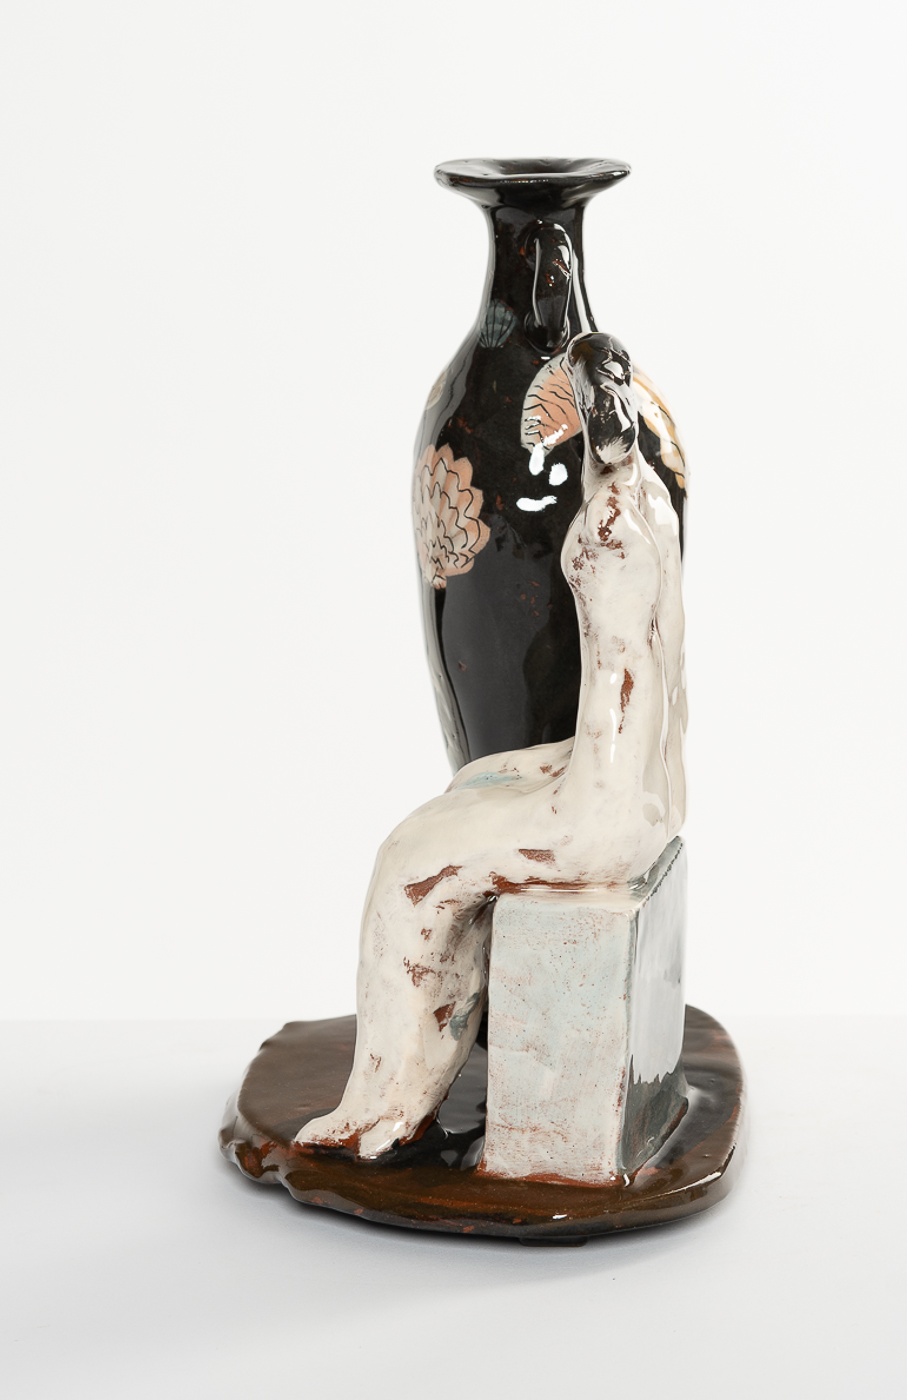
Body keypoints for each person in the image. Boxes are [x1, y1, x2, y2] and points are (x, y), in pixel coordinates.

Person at [297, 332, 687, 1158]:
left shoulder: (610, 521)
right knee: (472, 783)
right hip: (645, 782)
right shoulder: (646, 493)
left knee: (411, 860)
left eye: (569, 405)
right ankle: (428, 1048)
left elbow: (612, 690)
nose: (555, 425)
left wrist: (567, 789)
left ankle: (386, 1109)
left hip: (606, 802)